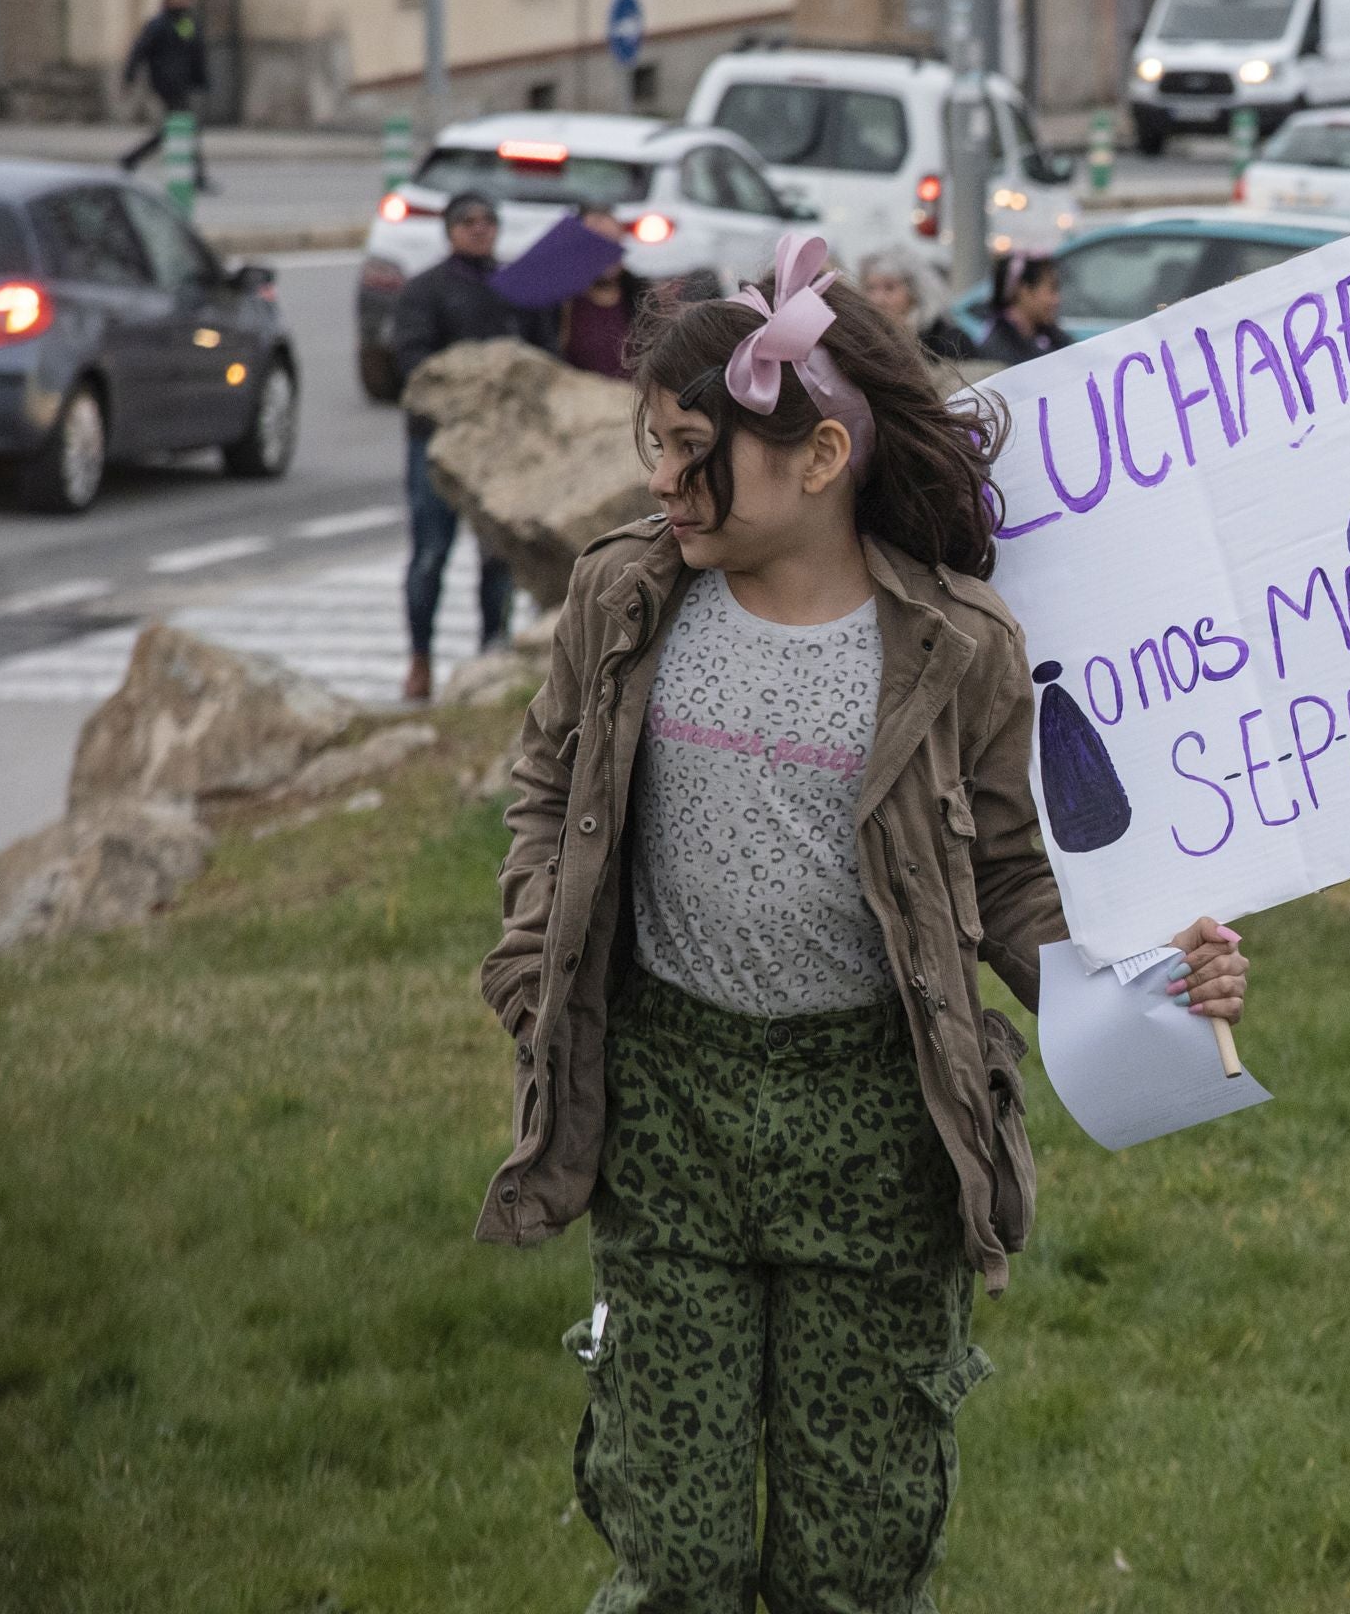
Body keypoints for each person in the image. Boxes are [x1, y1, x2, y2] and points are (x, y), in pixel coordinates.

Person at [477, 231, 1250, 1609]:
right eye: (653, 445)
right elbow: (550, 786)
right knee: (678, 1550)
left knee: (856, 1557)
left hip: (878, 1139)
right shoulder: (626, 599)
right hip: (668, 1120)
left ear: (820, 460)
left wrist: (1153, 975)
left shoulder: (956, 647)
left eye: (692, 449)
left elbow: (1013, 880)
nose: (662, 479)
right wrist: (534, 960)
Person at [391, 193, 552, 703]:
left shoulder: (517, 289)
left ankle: (493, 651)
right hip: (439, 444)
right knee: (430, 554)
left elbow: (544, 355)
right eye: (469, 221)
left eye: (489, 220)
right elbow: (410, 363)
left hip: (501, 445)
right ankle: (420, 657)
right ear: (450, 229)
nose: (480, 229)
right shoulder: (425, 290)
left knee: (499, 555)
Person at [116, 0, 213, 190]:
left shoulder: (188, 23)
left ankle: (131, 158)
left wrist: (201, 79)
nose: (182, 2)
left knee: (176, 128)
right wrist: (129, 75)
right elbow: (139, 50)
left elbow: (196, 53)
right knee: (185, 127)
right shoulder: (158, 24)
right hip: (165, 83)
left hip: (182, 83)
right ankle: (197, 176)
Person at [553, 205, 643, 380]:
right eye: (598, 244)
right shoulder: (558, 303)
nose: (608, 253)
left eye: (613, 244)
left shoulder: (641, 299)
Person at [858, 247, 982, 362]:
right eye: (870, 288)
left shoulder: (949, 340)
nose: (878, 299)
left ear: (916, 292)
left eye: (890, 288)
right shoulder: (863, 341)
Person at [970, 253, 1069, 368]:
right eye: (1052, 289)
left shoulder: (1051, 338)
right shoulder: (996, 353)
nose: (1057, 300)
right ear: (1024, 291)